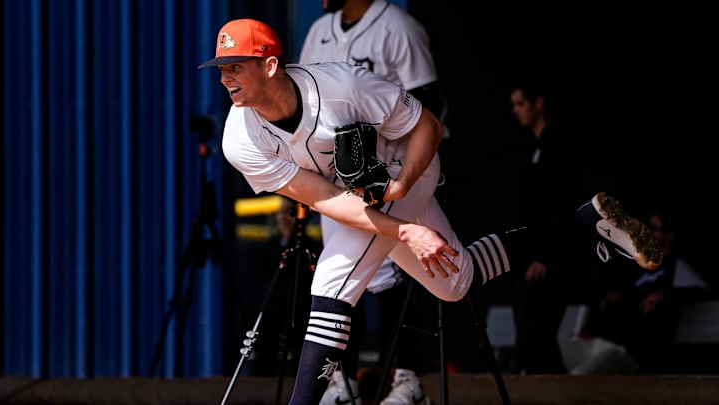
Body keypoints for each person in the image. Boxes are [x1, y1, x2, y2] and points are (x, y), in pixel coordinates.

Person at [197, 18, 661, 405]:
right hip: (358, 198)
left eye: (236, 66)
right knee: (454, 282)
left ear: (271, 64)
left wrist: (401, 186)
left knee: (332, 284)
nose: (225, 78)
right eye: (221, 69)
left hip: (405, 167)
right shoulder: (240, 139)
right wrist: (404, 231)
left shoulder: (342, 84)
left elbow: (427, 126)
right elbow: (324, 200)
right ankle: (582, 223)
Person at [298, 1, 442, 403]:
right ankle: (343, 383)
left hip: (389, 173)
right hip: (336, 180)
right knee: (344, 281)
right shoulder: (318, 31)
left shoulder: (396, 26)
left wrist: (405, 176)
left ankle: (407, 380)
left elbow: (428, 105)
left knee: (401, 274)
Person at [501, 75, 586, 374]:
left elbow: (562, 205)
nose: (516, 110)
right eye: (513, 104)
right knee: (528, 333)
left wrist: (545, 256)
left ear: (539, 103)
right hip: (530, 257)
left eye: (521, 103)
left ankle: (550, 391)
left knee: (539, 334)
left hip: (551, 260)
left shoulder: (558, 146)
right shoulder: (534, 147)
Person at [564, 208, 711, 374]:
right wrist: (620, 295)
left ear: (670, 235)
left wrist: (666, 294)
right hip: (604, 341)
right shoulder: (639, 265)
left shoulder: (676, 267)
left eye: (655, 228)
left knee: (578, 376)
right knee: (552, 365)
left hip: (631, 352)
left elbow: (700, 290)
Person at [247, 196, 323, 377]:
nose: (282, 218)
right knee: (267, 348)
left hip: (301, 308)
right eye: (279, 213)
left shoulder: (309, 247)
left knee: (301, 350)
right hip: (275, 308)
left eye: (288, 213)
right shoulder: (272, 246)